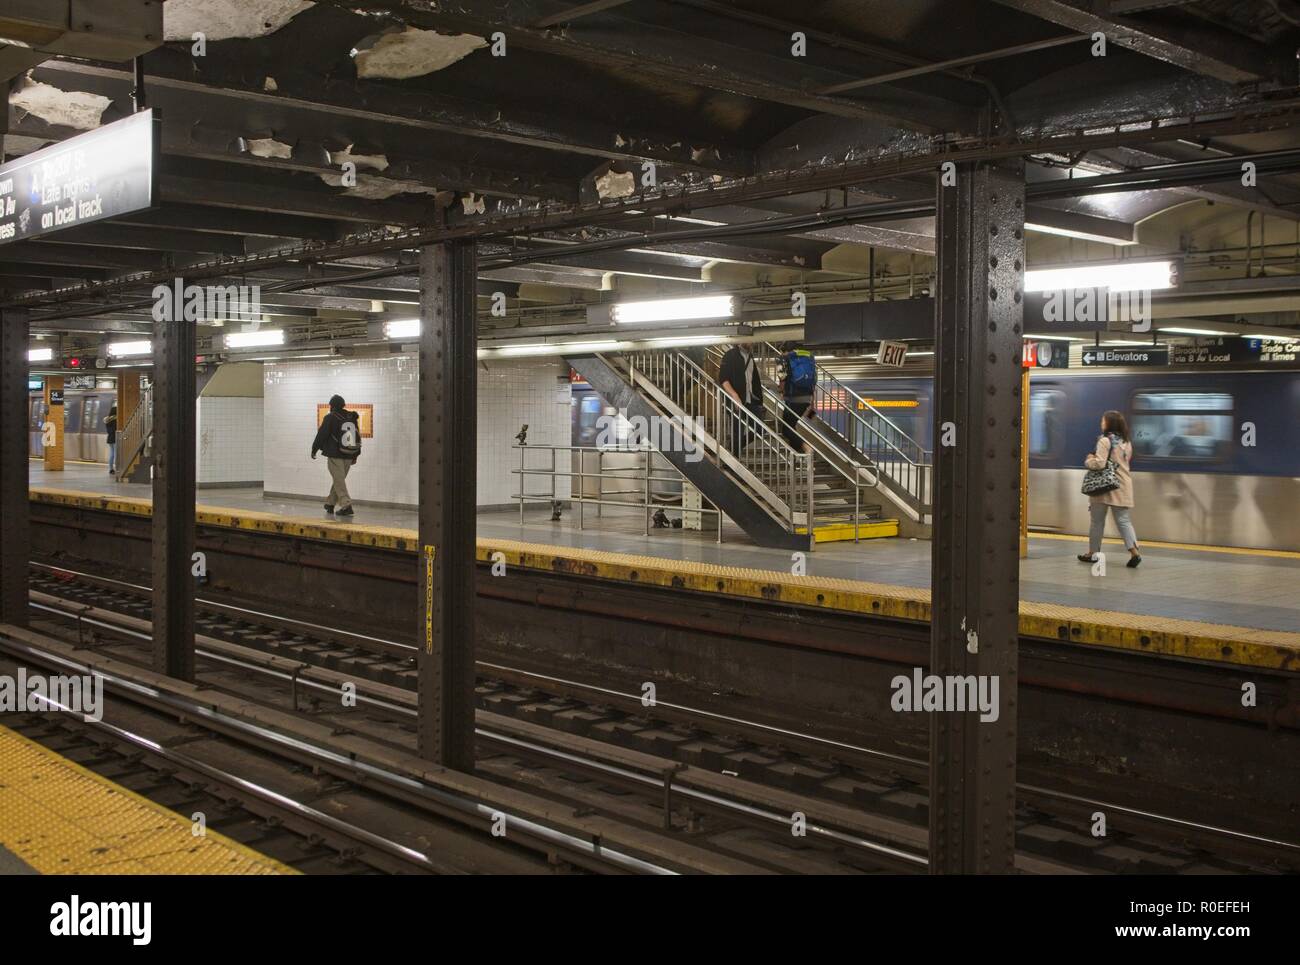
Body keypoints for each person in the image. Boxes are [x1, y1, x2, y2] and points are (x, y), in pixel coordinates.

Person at [1078, 409, 1141, 568]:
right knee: (1124, 521)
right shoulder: (1126, 442)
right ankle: (1135, 552)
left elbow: (1099, 463)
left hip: (1104, 487)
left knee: (1097, 522)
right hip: (1123, 485)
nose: (1101, 423)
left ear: (1109, 423)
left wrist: (1088, 460)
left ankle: (1093, 553)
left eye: (1103, 420)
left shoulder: (1104, 441)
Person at [311, 394, 361, 516]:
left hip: (335, 454)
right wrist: (356, 454)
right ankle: (330, 503)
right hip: (349, 454)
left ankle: (346, 505)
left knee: (339, 480)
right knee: (339, 480)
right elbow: (357, 436)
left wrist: (314, 449)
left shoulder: (330, 417)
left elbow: (322, 435)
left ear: (332, 406)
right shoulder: (351, 417)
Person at [716, 342, 764, 451]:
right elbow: (723, 379)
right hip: (735, 401)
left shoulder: (750, 357)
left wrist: (759, 400)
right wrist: (734, 395)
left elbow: (754, 380)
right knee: (738, 431)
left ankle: (733, 449)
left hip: (751, 400)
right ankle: (733, 458)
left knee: (760, 429)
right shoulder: (730, 355)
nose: (750, 342)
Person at [776, 342, 816, 453]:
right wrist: (812, 403)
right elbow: (814, 381)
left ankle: (806, 447)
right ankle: (797, 457)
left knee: (786, 430)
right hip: (806, 399)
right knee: (792, 426)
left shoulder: (783, 359)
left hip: (793, 398)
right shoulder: (808, 357)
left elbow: (782, 377)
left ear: (784, 350)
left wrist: (781, 391)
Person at [104, 405, 117, 474]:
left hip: (110, 438)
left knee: (112, 454)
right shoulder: (116, 420)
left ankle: (111, 469)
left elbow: (109, 430)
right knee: (116, 454)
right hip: (115, 438)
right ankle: (117, 468)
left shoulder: (107, 420)